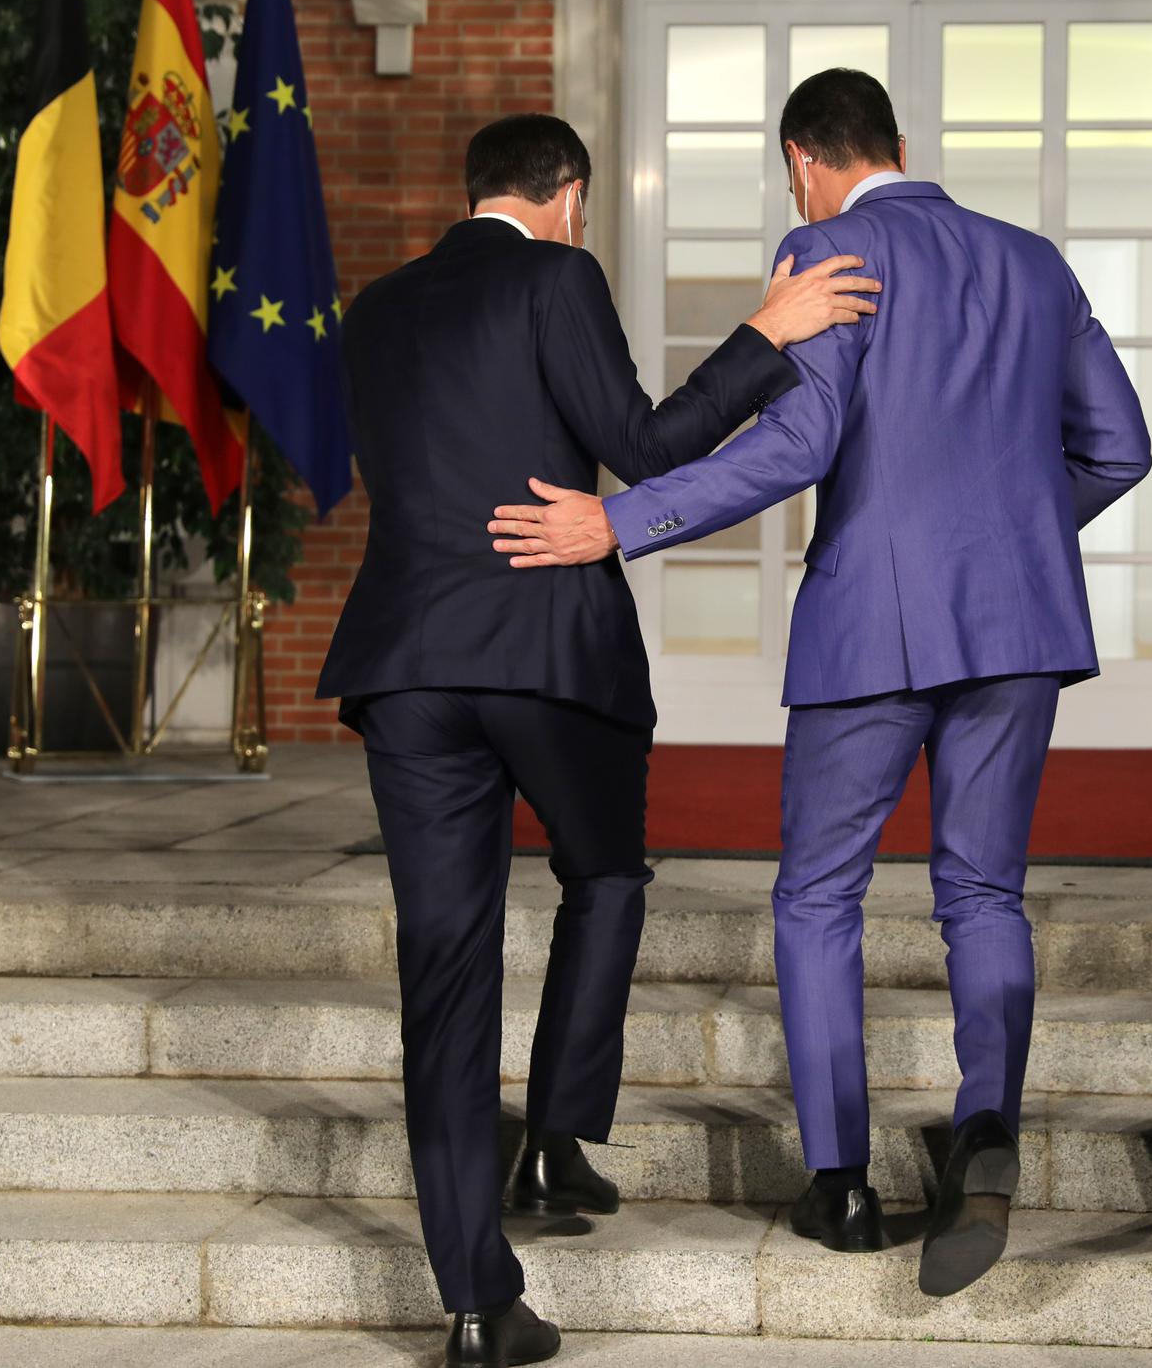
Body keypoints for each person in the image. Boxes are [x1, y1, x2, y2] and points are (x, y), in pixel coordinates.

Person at [486, 71, 1150, 1299]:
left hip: (873, 626)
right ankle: (986, 1129)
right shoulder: (1033, 260)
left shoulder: (825, 249)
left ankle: (840, 1183)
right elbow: (1121, 444)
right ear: (900, 143)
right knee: (983, 893)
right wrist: (1007, 538)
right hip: (1018, 625)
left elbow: (798, 445)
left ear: (801, 159)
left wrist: (621, 522)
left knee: (819, 898)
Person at [316, 112, 879, 1368]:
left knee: (443, 980)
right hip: (549, 658)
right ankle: (558, 1142)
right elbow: (642, 444)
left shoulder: (377, 308)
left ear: (475, 193)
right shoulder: (556, 273)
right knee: (606, 872)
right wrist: (766, 335)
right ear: (566, 196)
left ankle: (473, 1302)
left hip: (404, 668)